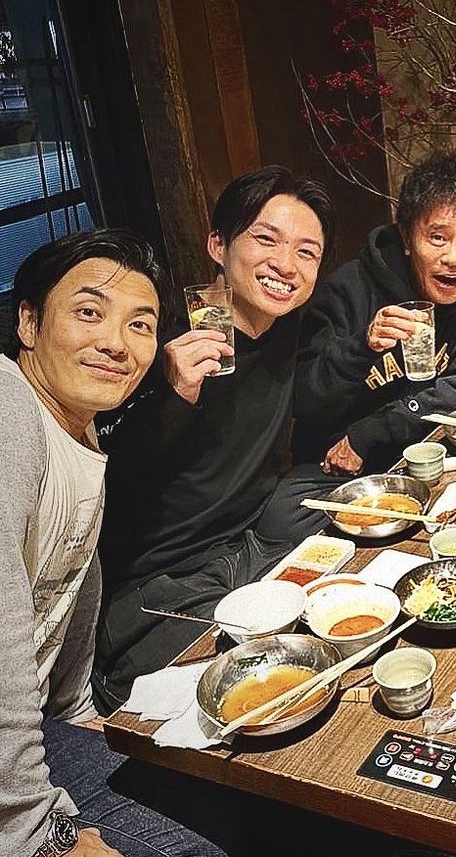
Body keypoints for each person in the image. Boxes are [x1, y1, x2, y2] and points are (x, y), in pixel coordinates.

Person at [0, 230, 231, 857]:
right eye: (89, 313)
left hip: (31, 735)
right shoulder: (8, 411)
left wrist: (77, 713)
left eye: (139, 323)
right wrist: (37, 838)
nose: (115, 342)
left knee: (221, 837)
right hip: (12, 780)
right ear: (29, 322)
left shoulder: (80, 432)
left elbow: (68, 589)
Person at [92, 166, 334, 713]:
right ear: (218, 246)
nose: (285, 265)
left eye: (307, 252)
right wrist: (173, 395)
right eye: (266, 240)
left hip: (248, 544)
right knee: (256, 690)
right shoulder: (155, 344)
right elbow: (112, 482)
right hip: (164, 578)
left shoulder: (294, 326)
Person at [264, 150, 456, 537]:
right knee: (280, 521)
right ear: (407, 237)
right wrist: (362, 348)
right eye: (437, 237)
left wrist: (376, 430)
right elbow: (307, 400)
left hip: (437, 447)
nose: (453, 258)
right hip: (347, 467)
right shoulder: (347, 289)